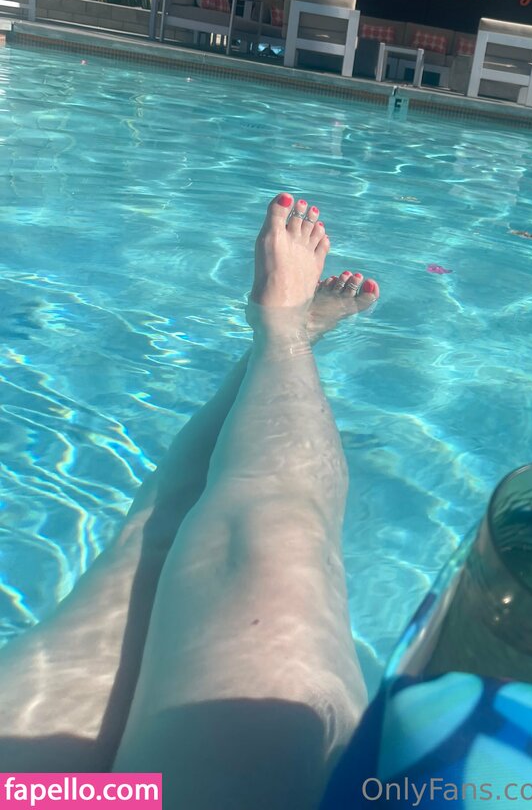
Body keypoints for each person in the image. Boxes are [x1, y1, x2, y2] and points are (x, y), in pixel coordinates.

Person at [0, 193, 380, 809]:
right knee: (268, 538)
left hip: (55, 796)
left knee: (144, 559)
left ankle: (281, 336)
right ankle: (283, 336)